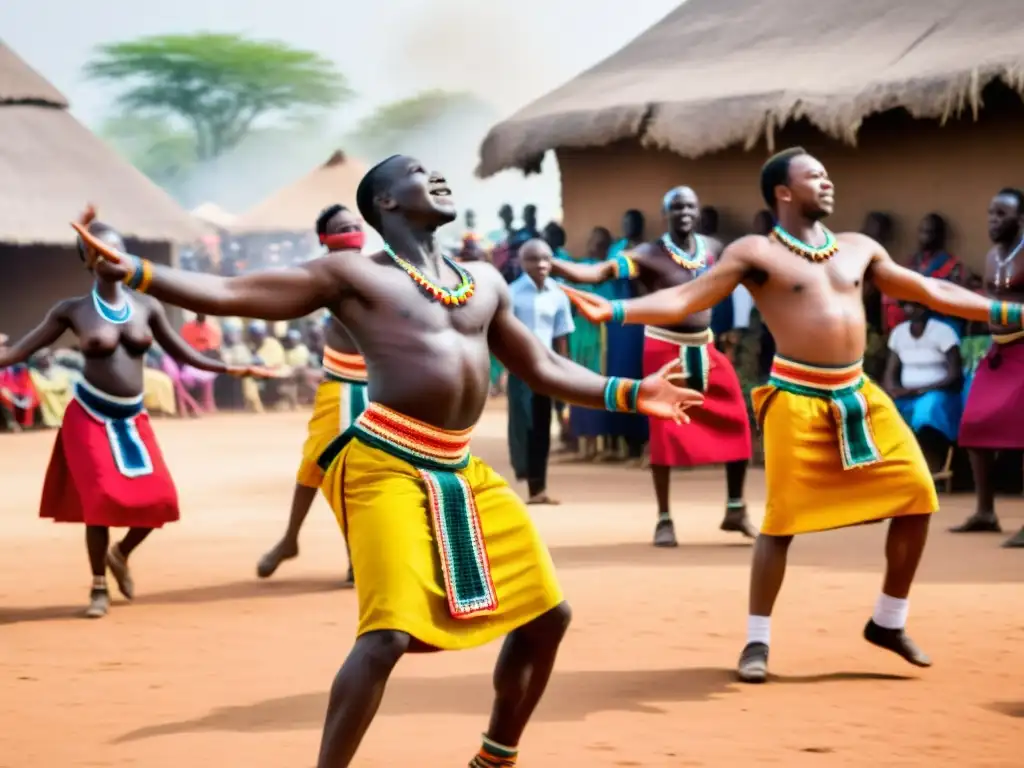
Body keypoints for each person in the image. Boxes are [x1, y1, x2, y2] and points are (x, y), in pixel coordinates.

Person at [73, 154, 703, 767]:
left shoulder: (482, 281)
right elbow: (232, 291)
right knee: (386, 637)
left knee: (547, 616)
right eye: (416, 172)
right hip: (384, 463)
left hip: (461, 470)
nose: (436, 175)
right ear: (387, 202)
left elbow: (543, 367)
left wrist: (630, 392)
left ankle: (495, 758)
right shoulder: (354, 275)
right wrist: (135, 270)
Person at [560, 147, 1024, 682]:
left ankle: (887, 621)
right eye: (815, 177)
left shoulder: (858, 248)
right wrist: (615, 309)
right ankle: (756, 641)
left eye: (827, 176)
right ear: (784, 191)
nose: (828, 183)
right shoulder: (755, 251)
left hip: (859, 395)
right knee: (781, 524)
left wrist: (1007, 311)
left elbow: (931, 290)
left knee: (919, 496)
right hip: (795, 397)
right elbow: (686, 297)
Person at [2, 212, 262, 618]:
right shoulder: (71, 310)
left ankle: (120, 554)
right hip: (89, 415)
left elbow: (183, 352)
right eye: (103, 249)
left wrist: (232, 368)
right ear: (88, 259)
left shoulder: (147, 306)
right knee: (101, 500)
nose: (114, 255)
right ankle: (98, 588)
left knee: (159, 500)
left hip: (132, 417)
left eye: (120, 248)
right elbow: (18, 352)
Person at [550, 187, 755, 546]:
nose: (685, 212)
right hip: (664, 348)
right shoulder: (648, 254)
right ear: (665, 214)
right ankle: (664, 519)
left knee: (737, 417)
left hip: (706, 346)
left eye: (690, 205)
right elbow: (600, 272)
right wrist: (552, 264)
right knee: (665, 432)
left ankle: (736, 509)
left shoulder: (714, 249)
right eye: (676, 207)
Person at [258, 204, 369, 584]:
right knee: (317, 465)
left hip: (385, 387)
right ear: (325, 239)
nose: (352, 231)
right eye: (342, 228)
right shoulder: (321, 275)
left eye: (356, 224)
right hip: (342, 387)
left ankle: (361, 556)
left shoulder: (379, 270)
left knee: (371, 474)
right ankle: (291, 539)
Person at [953, 188, 1024, 548]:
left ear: (1020, 218)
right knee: (973, 423)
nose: (993, 221)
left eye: (1001, 214)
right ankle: (985, 512)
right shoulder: (993, 255)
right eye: (990, 213)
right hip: (1000, 351)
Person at [506, 239, 575, 504]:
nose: (542, 264)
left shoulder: (557, 294)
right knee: (523, 424)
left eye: (546, 258)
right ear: (522, 263)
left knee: (543, 425)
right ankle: (526, 473)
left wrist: (565, 369)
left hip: (547, 369)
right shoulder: (511, 294)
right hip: (520, 368)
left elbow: (562, 337)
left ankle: (538, 488)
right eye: (534, 259)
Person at [883, 303, 963, 472]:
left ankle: (929, 465)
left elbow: (954, 374)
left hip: (938, 392)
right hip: (907, 395)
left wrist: (920, 390)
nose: (911, 309)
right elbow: (890, 373)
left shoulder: (943, 332)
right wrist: (892, 390)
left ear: (927, 307)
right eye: (907, 306)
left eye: (916, 306)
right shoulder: (899, 333)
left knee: (927, 409)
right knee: (883, 411)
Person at [883, 213, 968, 334]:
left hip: (936, 313)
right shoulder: (912, 261)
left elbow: (953, 295)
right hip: (911, 310)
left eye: (929, 232)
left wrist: (923, 305)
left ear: (939, 235)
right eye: (921, 231)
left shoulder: (951, 263)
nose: (924, 236)